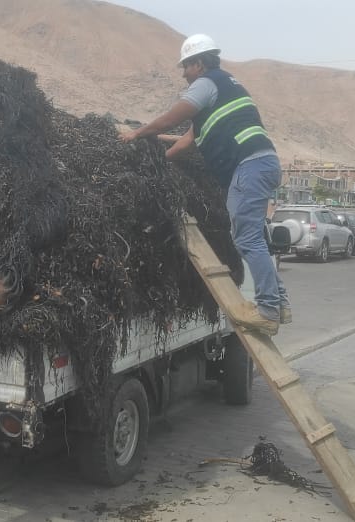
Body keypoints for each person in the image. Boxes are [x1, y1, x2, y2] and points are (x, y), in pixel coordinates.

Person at [120, 34, 288, 335]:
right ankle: (280, 304)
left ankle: (267, 310)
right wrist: (162, 159)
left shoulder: (208, 83)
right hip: (263, 163)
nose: (183, 74)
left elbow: (170, 120)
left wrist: (136, 135)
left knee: (246, 239)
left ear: (199, 63)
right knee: (256, 239)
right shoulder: (225, 89)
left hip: (248, 167)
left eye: (185, 66)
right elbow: (186, 142)